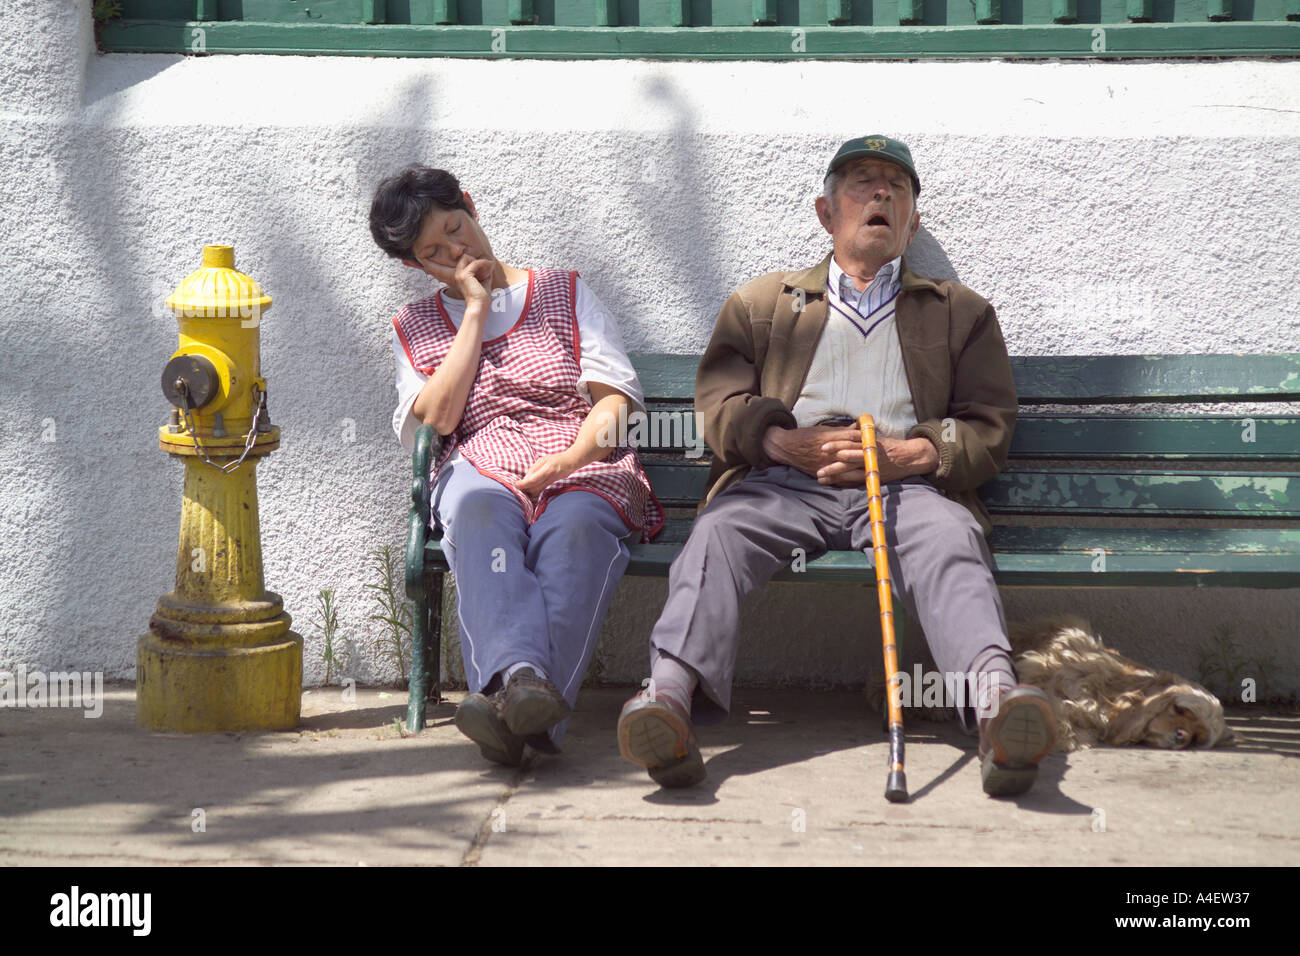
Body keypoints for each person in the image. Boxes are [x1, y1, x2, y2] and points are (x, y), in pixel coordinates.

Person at [616, 136, 1057, 796]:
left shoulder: (959, 313)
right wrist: (779, 443)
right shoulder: (763, 303)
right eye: (862, 183)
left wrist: (911, 454)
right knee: (718, 533)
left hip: (905, 485)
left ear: (911, 219)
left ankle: (1000, 710)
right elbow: (720, 405)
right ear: (826, 213)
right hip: (785, 481)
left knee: (951, 540)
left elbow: (989, 425)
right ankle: (668, 704)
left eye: (896, 188)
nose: (881, 194)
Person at [369, 165, 663, 766]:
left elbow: (614, 402)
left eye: (457, 228)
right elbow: (441, 421)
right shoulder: (415, 326)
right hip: (481, 463)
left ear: (472, 206)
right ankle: (525, 684)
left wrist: (573, 458)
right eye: (434, 251)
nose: (457, 250)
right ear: (413, 266)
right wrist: (472, 312)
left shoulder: (564, 291)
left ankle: (510, 706)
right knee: (478, 517)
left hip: (580, 456)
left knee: (574, 530)